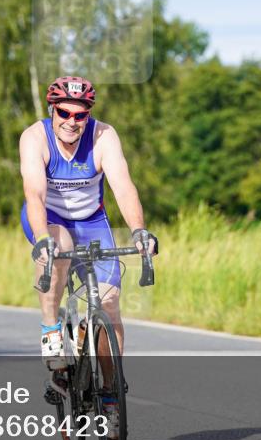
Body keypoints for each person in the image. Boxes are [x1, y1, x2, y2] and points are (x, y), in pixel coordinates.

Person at [19, 76, 157, 419]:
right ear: (52, 110)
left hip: (92, 221)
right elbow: (34, 193)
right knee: (59, 246)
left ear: (88, 116)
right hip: (49, 218)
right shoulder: (35, 138)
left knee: (109, 303)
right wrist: (42, 238)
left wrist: (139, 231)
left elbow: (123, 187)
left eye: (80, 115)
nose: (71, 121)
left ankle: (110, 393)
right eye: (64, 113)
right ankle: (51, 329)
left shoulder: (103, 136)